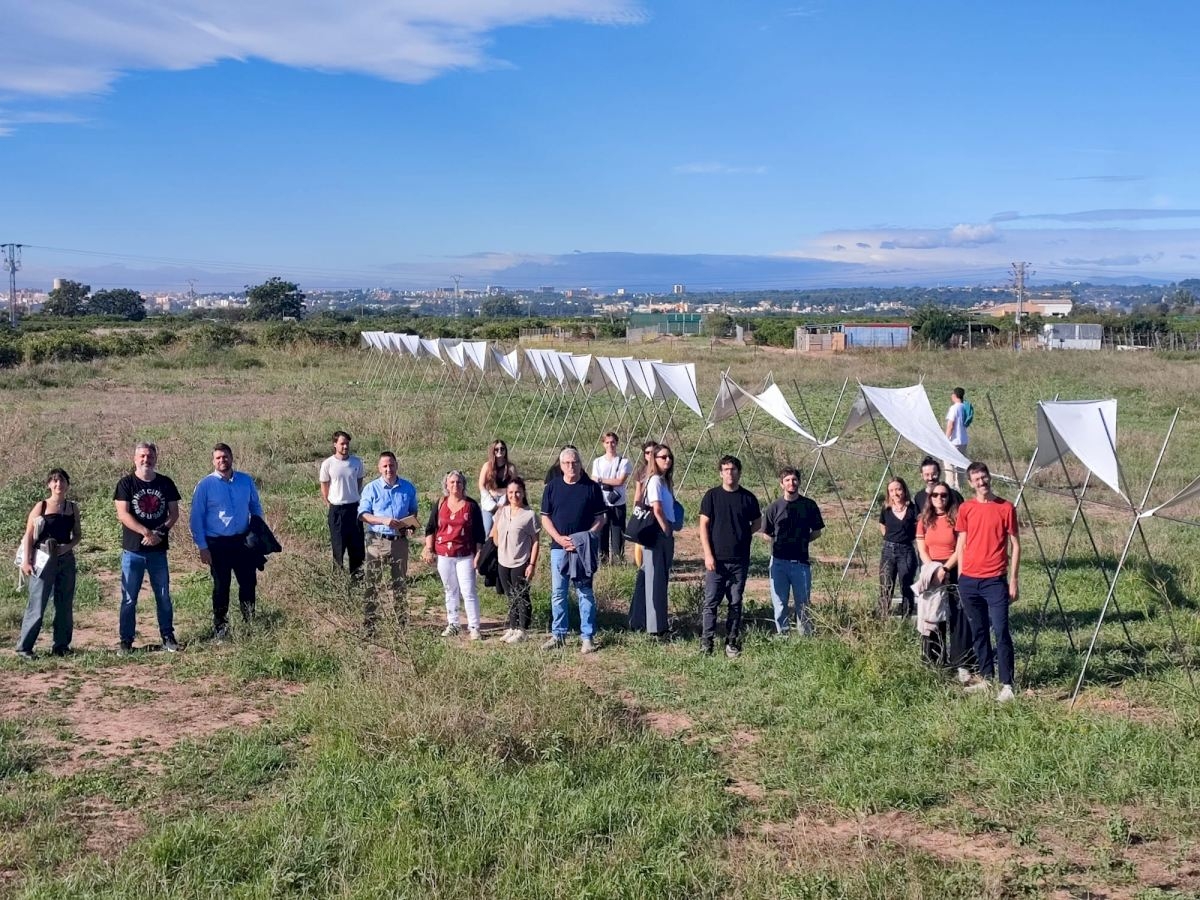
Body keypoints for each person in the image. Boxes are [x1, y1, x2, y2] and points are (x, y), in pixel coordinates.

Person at [955, 462, 1020, 703]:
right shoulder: (966, 508)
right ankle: (985, 677)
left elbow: (1015, 544)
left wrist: (1013, 580)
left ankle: (1007, 684)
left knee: (1001, 631)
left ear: (989, 478)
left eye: (984, 477)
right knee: (979, 631)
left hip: (995, 580)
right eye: (977, 479)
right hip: (970, 580)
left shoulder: (1005, 508)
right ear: (970, 483)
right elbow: (961, 542)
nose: (982, 482)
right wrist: (962, 576)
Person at [190, 443, 264, 641]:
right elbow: (196, 518)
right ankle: (220, 628)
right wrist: (202, 547)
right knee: (221, 587)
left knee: (248, 584)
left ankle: (249, 624)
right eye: (218, 458)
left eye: (225, 457)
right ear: (213, 461)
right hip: (217, 545)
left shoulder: (245, 481)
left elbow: (255, 506)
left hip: (242, 542)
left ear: (232, 457)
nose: (222, 461)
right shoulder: (205, 485)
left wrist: (257, 531)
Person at [113, 442, 181, 653]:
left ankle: (168, 637)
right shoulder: (126, 484)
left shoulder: (165, 483)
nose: (146, 460)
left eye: (150, 456)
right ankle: (126, 640)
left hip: (158, 551)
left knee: (163, 596)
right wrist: (146, 532)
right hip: (133, 551)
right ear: (135, 459)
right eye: (142, 456)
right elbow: (123, 514)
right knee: (129, 598)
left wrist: (159, 533)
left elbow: (174, 514)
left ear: (155, 458)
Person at [539, 446, 606, 653]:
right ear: (560, 465)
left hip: (582, 550)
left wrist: (585, 537)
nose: (571, 466)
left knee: (584, 592)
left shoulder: (591, 487)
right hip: (559, 548)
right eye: (567, 463)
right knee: (558, 592)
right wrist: (559, 538)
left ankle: (587, 637)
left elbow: (601, 518)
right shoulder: (552, 487)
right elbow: (545, 518)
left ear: (580, 464)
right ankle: (558, 634)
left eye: (575, 462)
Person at [698, 455, 762, 658]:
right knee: (711, 602)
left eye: (733, 469)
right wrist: (708, 555)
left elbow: (757, 523)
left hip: (739, 560)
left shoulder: (748, 498)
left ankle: (731, 642)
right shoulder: (712, 496)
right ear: (720, 473)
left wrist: (742, 535)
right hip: (716, 561)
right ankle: (706, 642)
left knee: (735, 602)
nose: (729, 473)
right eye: (726, 469)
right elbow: (703, 527)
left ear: (739, 472)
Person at [15, 469, 81, 659]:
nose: (58, 485)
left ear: (67, 484)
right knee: (38, 603)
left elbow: (77, 535)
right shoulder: (41, 506)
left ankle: (61, 646)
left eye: (61, 481)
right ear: (49, 485)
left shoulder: (72, 508)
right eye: (54, 481)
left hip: (65, 558)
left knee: (64, 603)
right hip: (42, 558)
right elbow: (28, 535)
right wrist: (26, 561)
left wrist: (67, 547)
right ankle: (24, 648)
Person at [916, 480, 975, 678]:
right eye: (935, 495)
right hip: (931, 569)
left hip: (953, 567)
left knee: (958, 615)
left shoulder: (956, 519)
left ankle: (962, 662)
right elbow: (922, 547)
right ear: (929, 498)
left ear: (949, 498)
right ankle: (934, 660)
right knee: (933, 615)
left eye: (943, 495)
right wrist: (932, 568)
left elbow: (961, 547)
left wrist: (946, 568)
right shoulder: (924, 520)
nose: (939, 498)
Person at [422, 470, 486, 640]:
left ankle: (474, 627)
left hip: (465, 554)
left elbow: (480, 533)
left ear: (464, 484)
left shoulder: (471, 505)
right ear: (446, 485)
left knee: (468, 591)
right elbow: (430, 528)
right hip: (444, 554)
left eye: (458, 482)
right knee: (450, 590)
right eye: (452, 482)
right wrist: (429, 548)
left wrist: (478, 553)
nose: (455, 485)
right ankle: (453, 624)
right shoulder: (441, 503)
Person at [358, 451, 418, 630]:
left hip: (399, 541)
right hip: (377, 540)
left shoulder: (408, 487)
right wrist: (383, 520)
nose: (388, 469)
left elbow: (413, 511)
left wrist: (410, 525)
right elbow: (363, 515)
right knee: (373, 582)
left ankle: (401, 623)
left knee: (399, 583)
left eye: (391, 465)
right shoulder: (371, 488)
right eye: (384, 466)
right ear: (379, 468)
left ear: (396, 465)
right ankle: (370, 623)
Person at [761, 468, 824, 636]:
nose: (791, 483)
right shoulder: (774, 507)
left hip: (800, 563)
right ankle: (784, 637)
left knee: (803, 604)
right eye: (787, 480)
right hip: (779, 563)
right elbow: (766, 534)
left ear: (799, 482)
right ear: (782, 484)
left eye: (794, 479)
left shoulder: (809, 506)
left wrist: (801, 541)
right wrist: (780, 543)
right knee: (780, 604)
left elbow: (817, 532)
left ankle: (806, 637)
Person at [631, 443, 677, 637]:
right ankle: (656, 628)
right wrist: (666, 528)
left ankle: (647, 621)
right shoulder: (655, 481)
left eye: (669, 457)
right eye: (663, 457)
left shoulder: (664, 481)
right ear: (654, 460)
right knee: (654, 580)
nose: (667, 460)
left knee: (657, 579)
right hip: (658, 534)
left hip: (663, 534)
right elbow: (656, 508)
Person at [492, 477, 540, 643]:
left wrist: (532, 564)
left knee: (521, 595)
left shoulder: (529, 515)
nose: (514, 495)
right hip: (503, 560)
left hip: (520, 561)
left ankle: (523, 630)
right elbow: (495, 530)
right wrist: (497, 543)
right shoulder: (502, 511)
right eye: (511, 492)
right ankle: (512, 627)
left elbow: (535, 541)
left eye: (517, 492)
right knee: (510, 595)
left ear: (523, 493)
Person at [319, 430, 365, 577]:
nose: (345, 446)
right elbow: (324, 485)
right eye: (342, 443)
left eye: (347, 443)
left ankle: (357, 579)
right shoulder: (328, 464)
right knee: (338, 548)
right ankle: (338, 581)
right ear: (335, 444)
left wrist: (354, 496)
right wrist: (329, 502)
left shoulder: (356, 462)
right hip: (337, 510)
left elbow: (359, 482)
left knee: (357, 548)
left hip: (354, 509)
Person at [878, 476, 919, 617]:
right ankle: (883, 619)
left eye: (898, 489)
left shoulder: (913, 509)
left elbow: (919, 526)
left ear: (904, 490)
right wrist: (887, 537)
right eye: (891, 490)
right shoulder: (886, 508)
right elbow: (882, 524)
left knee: (906, 586)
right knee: (886, 586)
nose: (895, 493)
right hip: (888, 550)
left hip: (906, 550)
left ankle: (905, 620)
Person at [591, 432, 632, 564]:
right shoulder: (597, 462)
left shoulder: (624, 462)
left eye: (613, 442)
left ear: (617, 443)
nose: (610, 445)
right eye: (607, 442)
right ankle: (603, 561)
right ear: (603, 444)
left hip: (618, 503)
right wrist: (609, 481)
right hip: (601, 502)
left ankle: (618, 561)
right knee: (602, 534)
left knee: (618, 534)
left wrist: (602, 480)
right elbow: (594, 480)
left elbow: (620, 481)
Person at [478, 439, 517, 537]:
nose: (500, 451)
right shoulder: (487, 466)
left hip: (505, 500)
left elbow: (515, 485)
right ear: (493, 451)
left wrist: (505, 500)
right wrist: (490, 501)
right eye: (496, 449)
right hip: (490, 500)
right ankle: (484, 551)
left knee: (502, 531)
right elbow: (481, 485)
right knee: (486, 529)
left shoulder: (511, 468)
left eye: (502, 449)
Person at [944, 388, 970, 489]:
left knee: (949, 464)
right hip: (963, 440)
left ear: (954, 395)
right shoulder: (965, 407)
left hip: (954, 440)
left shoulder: (954, 408)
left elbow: (950, 425)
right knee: (960, 465)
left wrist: (946, 439)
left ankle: (950, 486)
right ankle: (960, 486)